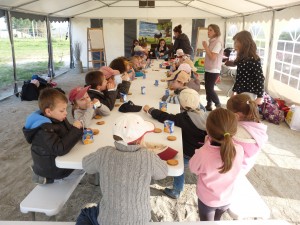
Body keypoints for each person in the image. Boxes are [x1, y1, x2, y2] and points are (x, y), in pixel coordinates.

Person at [75, 114, 168, 225]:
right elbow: (163, 172)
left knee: (86, 212)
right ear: (141, 139)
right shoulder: (148, 156)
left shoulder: (103, 153)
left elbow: (86, 165)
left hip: (108, 220)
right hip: (140, 220)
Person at [144, 89, 208, 199]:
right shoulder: (207, 115)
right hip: (204, 153)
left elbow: (164, 117)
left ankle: (177, 190)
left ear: (181, 103)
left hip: (188, 153)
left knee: (179, 164)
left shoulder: (182, 118)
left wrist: (150, 110)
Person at [189, 108, 244, 221]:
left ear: (208, 131)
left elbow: (193, 168)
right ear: (234, 130)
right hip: (227, 198)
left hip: (208, 200)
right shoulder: (239, 150)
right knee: (217, 220)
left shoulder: (203, 153)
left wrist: (206, 146)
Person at [23, 88, 83, 184]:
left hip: (55, 159)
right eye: (62, 110)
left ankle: (42, 173)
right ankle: (46, 177)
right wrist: (75, 130)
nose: (66, 113)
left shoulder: (58, 117)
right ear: (48, 112)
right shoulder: (43, 130)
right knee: (83, 168)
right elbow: (59, 149)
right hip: (54, 168)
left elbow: (68, 131)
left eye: (65, 109)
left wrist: (80, 131)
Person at [227, 93, 268, 174]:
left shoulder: (234, 132)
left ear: (236, 116)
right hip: (245, 167)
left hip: (231, 171)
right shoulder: (259, 127)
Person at [232, 30, 265, 105]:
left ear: (243, 43)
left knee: (244, 114)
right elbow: (239, 78)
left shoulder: (254, 59)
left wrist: (260, 97)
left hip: (250, 93)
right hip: (241, 92)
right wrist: (234, 91)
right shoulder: (241, 59)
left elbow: (260, 78)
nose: (235, 45)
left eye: (236, 42)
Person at [202, 24, 224, 111]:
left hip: (214, 69)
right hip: (208, 68)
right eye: (208, 29)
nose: (208, 31)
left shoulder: (218, 42)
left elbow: (212, 57)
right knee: (207, 88)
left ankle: (218, 105)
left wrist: (206, 47)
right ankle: (209, 104)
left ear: (216, 32)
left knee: (210, 88)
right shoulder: (212, 41)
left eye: (210, 30)